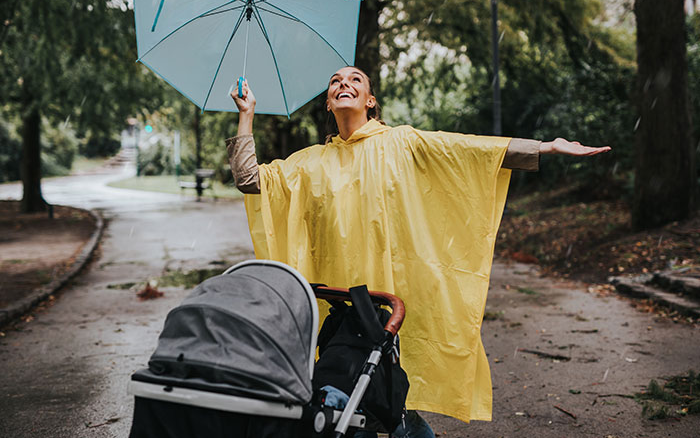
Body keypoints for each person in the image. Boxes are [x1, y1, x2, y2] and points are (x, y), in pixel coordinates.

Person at [226, 67, 610, 436]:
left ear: (370, 100)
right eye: (335, 81)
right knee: (346, 400)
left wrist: (545, 147)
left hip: (391, 300)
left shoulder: (401, 142)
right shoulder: (308, 163)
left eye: (355, 79)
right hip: (339, 305)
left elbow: (465, 151)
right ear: (328, 103)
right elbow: (249, 179)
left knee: (384, 399)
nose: (344, 83)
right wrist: (247, 115)